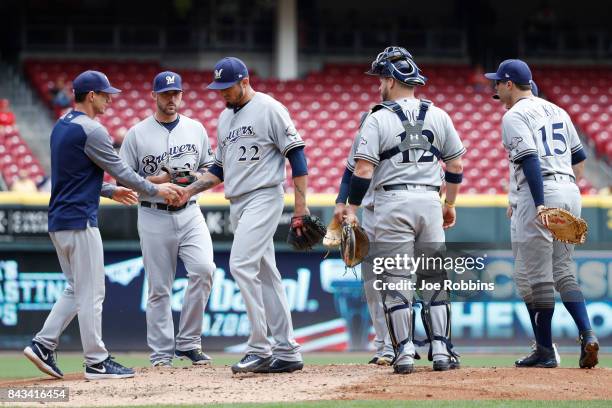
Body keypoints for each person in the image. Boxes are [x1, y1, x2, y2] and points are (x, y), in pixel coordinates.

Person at [23, 70, 182, 380]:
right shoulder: (92, 130)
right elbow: (123, 171)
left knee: (76, 289)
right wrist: (157, 189)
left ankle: (42, 344)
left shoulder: (62, 125)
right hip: (80, 220)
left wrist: (110, 191)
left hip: (59, 221)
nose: (111, 98)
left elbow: (75, 177)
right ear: (91, 95)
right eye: (106, 93)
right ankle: (96, 361)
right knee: (93, 293)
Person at [173, 57, 308, 374]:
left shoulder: (269, 108)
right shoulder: (224, 118)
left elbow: (297, 157)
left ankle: (260, 348)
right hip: (238, 200)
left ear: (245, 81)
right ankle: (287, 351)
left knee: (241, 264)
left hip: (264, 194)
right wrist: (188, 191)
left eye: (227, 86)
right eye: (218, 87)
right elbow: (218, 170)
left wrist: (301, 209)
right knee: (265, 274)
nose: (222, 93)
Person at [343, 46, 465, 374]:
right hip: (429, 201)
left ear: (394, 80)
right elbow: (455, 165)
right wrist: (449, 203)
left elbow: (363, 171)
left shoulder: (377, 118)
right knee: (435, 278)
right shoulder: (439, 115)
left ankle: (404, 352)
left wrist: (351, 209)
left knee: (396, 279)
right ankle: (441, 351)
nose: (379, 83)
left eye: (382, 77)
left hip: (391, 203)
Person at [486, 59, 598, 368]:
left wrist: (539, 204)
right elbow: (579, 157)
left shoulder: (514, 115)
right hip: (570, 190)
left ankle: (545, 350)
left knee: (533, 278)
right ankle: (587, 334)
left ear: (510, 84)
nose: (494, 86)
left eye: (498, 82)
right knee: (563, 271)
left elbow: (531, 160)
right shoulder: (557, 110)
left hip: (541, 193)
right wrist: (565, 189)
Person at [119, 71, 216, 367]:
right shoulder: (137, 133)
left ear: (182, 95)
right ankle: (161, 355)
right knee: (159, 288)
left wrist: (191, 179)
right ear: (154, 95)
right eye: (165, 94)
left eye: (176, 93)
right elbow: (122, 178)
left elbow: (210, 167)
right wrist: (156, 180)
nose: (171, 98)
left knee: (204, 270)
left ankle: (188, 343)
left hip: (190, 211)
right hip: (153, 214)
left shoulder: (195, 128)